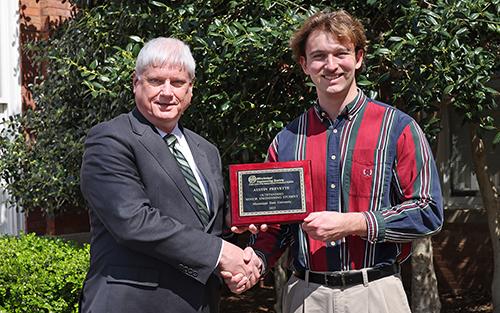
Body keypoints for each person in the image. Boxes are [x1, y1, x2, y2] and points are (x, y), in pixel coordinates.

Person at [224, 9, 444, 313]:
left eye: (341, 53)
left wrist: (352, 223)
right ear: (304, 65)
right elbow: (277, 227)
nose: (330, 65)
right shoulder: (287, 140)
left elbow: (428, 210)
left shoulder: (398, 129)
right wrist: (255, 261)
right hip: (305, 295)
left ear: (359, 57)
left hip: (375, 294)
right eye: (318, 56)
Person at [79, 37, 261, 313]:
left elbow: (208, 227)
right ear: (135, 83)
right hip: (134, 305)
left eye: (177, 83)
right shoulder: (110, 139)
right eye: (155, 81)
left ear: (190, 90)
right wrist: (220, 254)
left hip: (199, 303)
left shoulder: (206, 150)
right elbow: (134, 221)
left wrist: (237, 260)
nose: (167, 92)